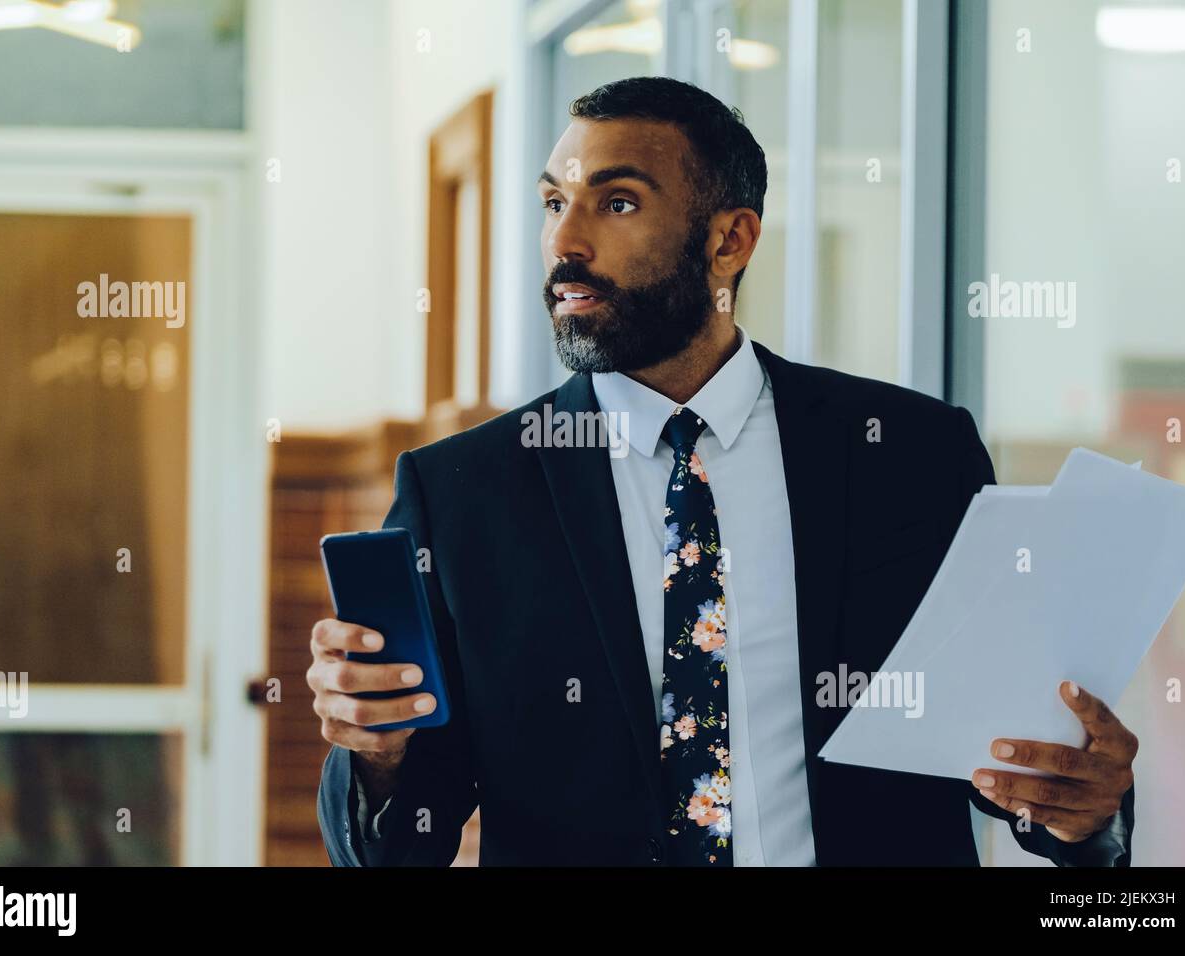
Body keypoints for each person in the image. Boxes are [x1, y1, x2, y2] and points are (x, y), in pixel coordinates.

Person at [311, 77, 1135, 866]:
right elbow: (395, 844)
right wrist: (375, 751)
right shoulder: (462, 493)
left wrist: (1086, 806)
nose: (565, 242)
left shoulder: (914, 454)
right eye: (554, 204)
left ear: (729, 241)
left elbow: (1007, 753)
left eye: (617, 202)